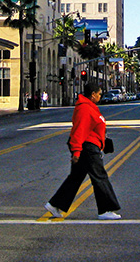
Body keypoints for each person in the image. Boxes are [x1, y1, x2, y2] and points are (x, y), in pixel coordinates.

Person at [44, 80, 121, 220]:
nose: (100, 97)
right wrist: (76, 152)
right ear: (92, 94)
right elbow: (79, 131)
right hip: (87, 148)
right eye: (99, 94)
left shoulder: (89, 107)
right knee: (100, 177)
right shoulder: (84, 108)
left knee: (76, 178)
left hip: (89, 146)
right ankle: (106, 209)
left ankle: (55, 204)